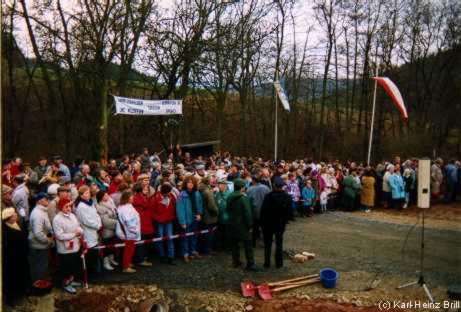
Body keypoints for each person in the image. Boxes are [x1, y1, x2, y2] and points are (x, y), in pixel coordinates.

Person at [226, 178, 259, 271]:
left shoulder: (229, 196)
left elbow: (227, 209)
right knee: (248, 244)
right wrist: (250, 225)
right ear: (242, 188)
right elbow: (247, 213)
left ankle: (236, 261)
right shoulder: (244, 198)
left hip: (231, 224)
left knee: (234, 244)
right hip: (242, 225)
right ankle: (250, 264)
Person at [260, 176, 292, 268]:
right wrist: (285, 220)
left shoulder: (268, 196)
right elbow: (289, 213)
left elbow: (263, 211)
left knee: (268, 244)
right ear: (282, 186)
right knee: (279, 243)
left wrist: (262, 223)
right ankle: (279, 263)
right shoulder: (287, 197)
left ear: (274, 186)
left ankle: (267, 263)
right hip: (280, 224)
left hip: (268, 224)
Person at [52, 198, 83, 294]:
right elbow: (59, 235)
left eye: (70, 206)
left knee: (73, 266)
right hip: (65, 249)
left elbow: (78, 226)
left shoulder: (72, 215)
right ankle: (66, 284)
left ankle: (71, 280)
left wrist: (80, 231)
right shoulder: (57, 219)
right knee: (66, 267)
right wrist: (74, 234)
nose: (69, 208)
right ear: (61, 207)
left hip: (75, 246)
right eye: (66, 206)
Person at [2, 208, 31, 305]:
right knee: (12, 279)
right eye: (14, 215)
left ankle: (21, 291)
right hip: (12, 259)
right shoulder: (6, 231)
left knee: (21, 275)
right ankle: (11, 299)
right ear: (8, 218)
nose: (16, 215)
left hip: (21, 257)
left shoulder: (15, 224)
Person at [74, 185, 102, 272]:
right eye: (86, 193)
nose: (88, 194)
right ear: (81, 195)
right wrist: (97, 226)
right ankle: (89, 271)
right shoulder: (81, 206)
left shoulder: (90, 203)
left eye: (89, 192)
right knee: (90, 253)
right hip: (88, 232)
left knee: (95, 250)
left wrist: (99, 223)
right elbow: (87, 221)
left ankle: (95, 268)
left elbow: (96, 214)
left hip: (94, 230)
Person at [176, 176, 203, 262]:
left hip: (195, 217)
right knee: (185, 237)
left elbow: (199, 204)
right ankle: (185, 254)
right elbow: (180, 210)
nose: (190, 184)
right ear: (185, 183)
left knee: (194, 235)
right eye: (189, 182)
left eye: (192, 182)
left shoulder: (197, 193)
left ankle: (193, 251)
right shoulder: (181, 195)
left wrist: (199, 214)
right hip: (187, 219)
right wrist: (182, 222)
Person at [28, 192, 54, 284]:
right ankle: (39, 286)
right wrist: (48, 241)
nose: (48, 201)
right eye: (46, 199)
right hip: (38, 245)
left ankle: (42, 283)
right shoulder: (38, 214)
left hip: (41, 245)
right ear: (39, 201)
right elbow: (38, 233)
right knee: (40, 267)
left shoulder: (42, 211)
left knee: (42, 266)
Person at [116, 190, 141, 273]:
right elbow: (128, 221)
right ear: (127, 198)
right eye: (131, 196)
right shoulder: (125, 208)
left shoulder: (126, 206)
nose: (133, 198)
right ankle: (125, 266)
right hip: (128, 232)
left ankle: (127, 262)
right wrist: (134, 231)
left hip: (129, 231)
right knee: (128, 249)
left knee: (130, 248)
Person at [152, 183, 176, 264]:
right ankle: (161, 256)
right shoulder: (156, 197)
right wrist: (157, 218)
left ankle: (171, 257)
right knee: (160, 238)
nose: (170, 193)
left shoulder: (171, 196)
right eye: (169, 191)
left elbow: (174, 204)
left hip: (169, 220)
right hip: (159, 222)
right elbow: (153, 210)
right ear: (164, 192)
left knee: (170, 238)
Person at [95, 190, 119, 271]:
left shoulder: (110, 203)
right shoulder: (100, 207)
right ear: (101, 198)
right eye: (105, 195)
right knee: (107, 247)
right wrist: (117, 223)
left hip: (112, 229)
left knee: (112, 245)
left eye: (107, 195)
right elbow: (105, 222)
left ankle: (111, 259)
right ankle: (106, 262)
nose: (107, 196)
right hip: (107, 231)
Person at [132, 182, 154, 267]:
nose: (147, 189)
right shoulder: (137, 199)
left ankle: (142, 258)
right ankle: (140, 259)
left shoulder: (144, 197)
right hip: (141, 223)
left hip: (145, 222)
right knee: (140, 242)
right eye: (144, 188)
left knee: (143, 242)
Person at [246, 174, 270, 246]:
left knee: (255, 228)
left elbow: (248, 201)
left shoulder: (249, 189)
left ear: (253, 180)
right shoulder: (266, 188)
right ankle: (264, 241)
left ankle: (253, 242)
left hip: (254, 212)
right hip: (264, 212)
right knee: (264, 228)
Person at [198, 176, 218, 256]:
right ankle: (208, 250)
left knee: (204, 233)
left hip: (203, 214)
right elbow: (212, 206)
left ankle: (203, 249)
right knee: (209, 234)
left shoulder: (200, 189)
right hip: (209, 216)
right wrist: (217, 212)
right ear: (208, 182)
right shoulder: (207, 191)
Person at [214, 178, 230, 249]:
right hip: (219, 218)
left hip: (227, 218)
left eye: (221, 184)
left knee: (227, 233)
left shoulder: (229, 194)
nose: (219, 186)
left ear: (225, 185)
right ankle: (221, 245)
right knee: (220, 233)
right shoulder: (217, 194)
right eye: (219, 184)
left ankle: (227, 246)